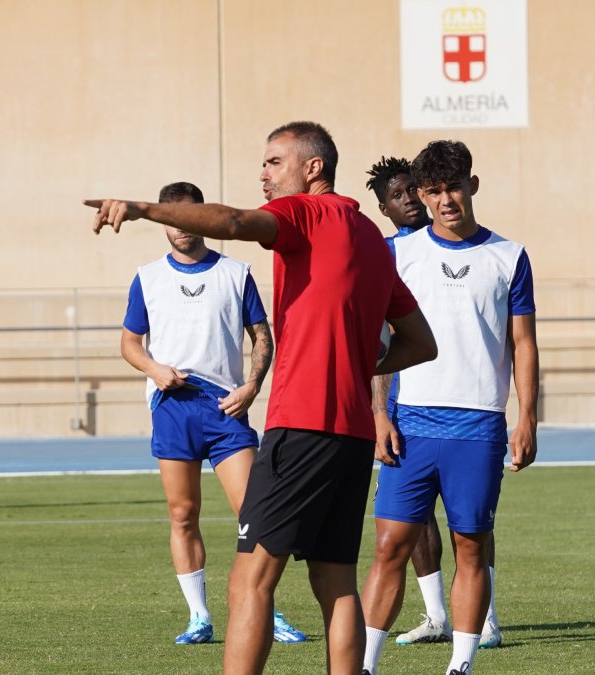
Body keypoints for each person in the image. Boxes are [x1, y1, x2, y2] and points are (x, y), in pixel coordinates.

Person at [87, 121, 438, 675]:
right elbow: (421, 343)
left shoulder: (307, 212)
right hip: (350, 436)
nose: (264, 174)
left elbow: (232, 222)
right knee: (335, 582)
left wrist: (144, 209)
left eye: (274, 161)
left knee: (249, 579)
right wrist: (356, 364)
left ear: (313, 168)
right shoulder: (371, 236)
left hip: (301, 426)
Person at [360, 140, 539, 675]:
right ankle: (365, 664)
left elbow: (523, 343)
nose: (446, 200)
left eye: (454, 187)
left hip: (478, 425)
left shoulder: (509, 257)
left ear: (472, 185)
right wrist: (379, 413)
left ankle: (460, 665)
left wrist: (527, 416)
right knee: (390, 546)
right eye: (434, 191)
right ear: (421, 194)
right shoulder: (398, 254)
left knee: (470, 546)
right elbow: (381, 339)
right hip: (410, 422)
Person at [120, 181, 306, 646]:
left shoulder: (235, 273)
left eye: (189, 216)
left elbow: (262, 337)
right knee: (183, 514)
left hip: (226, 408)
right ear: (163, 222)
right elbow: (130, 343)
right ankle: (198, 617)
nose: (181, 226)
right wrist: (155, 369)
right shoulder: (148, 277)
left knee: (256, 513)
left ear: (202, 216)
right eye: (172, 218)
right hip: (173, 408)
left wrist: (252, 386)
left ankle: (266, 610)